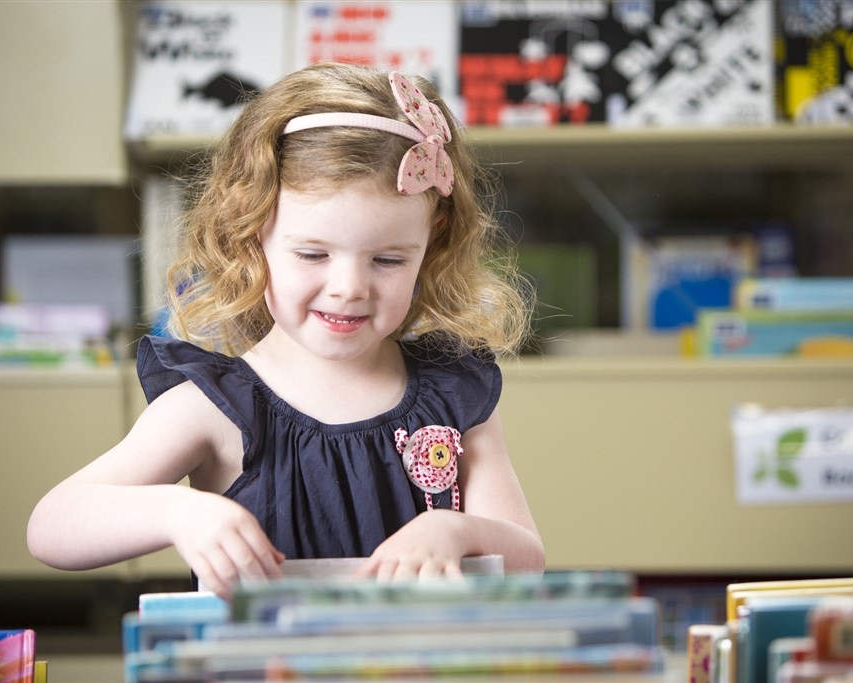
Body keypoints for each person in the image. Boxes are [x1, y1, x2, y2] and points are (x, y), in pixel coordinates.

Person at [27, 63, 545, 599]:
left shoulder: (454, 391)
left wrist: (456, 530)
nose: (349, 287)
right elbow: (51, 527)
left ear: (430, 244)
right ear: (252, 236)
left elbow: (528, 557)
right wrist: (177, 511)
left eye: (388, 259)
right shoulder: (212, 406)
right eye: (312, 253)